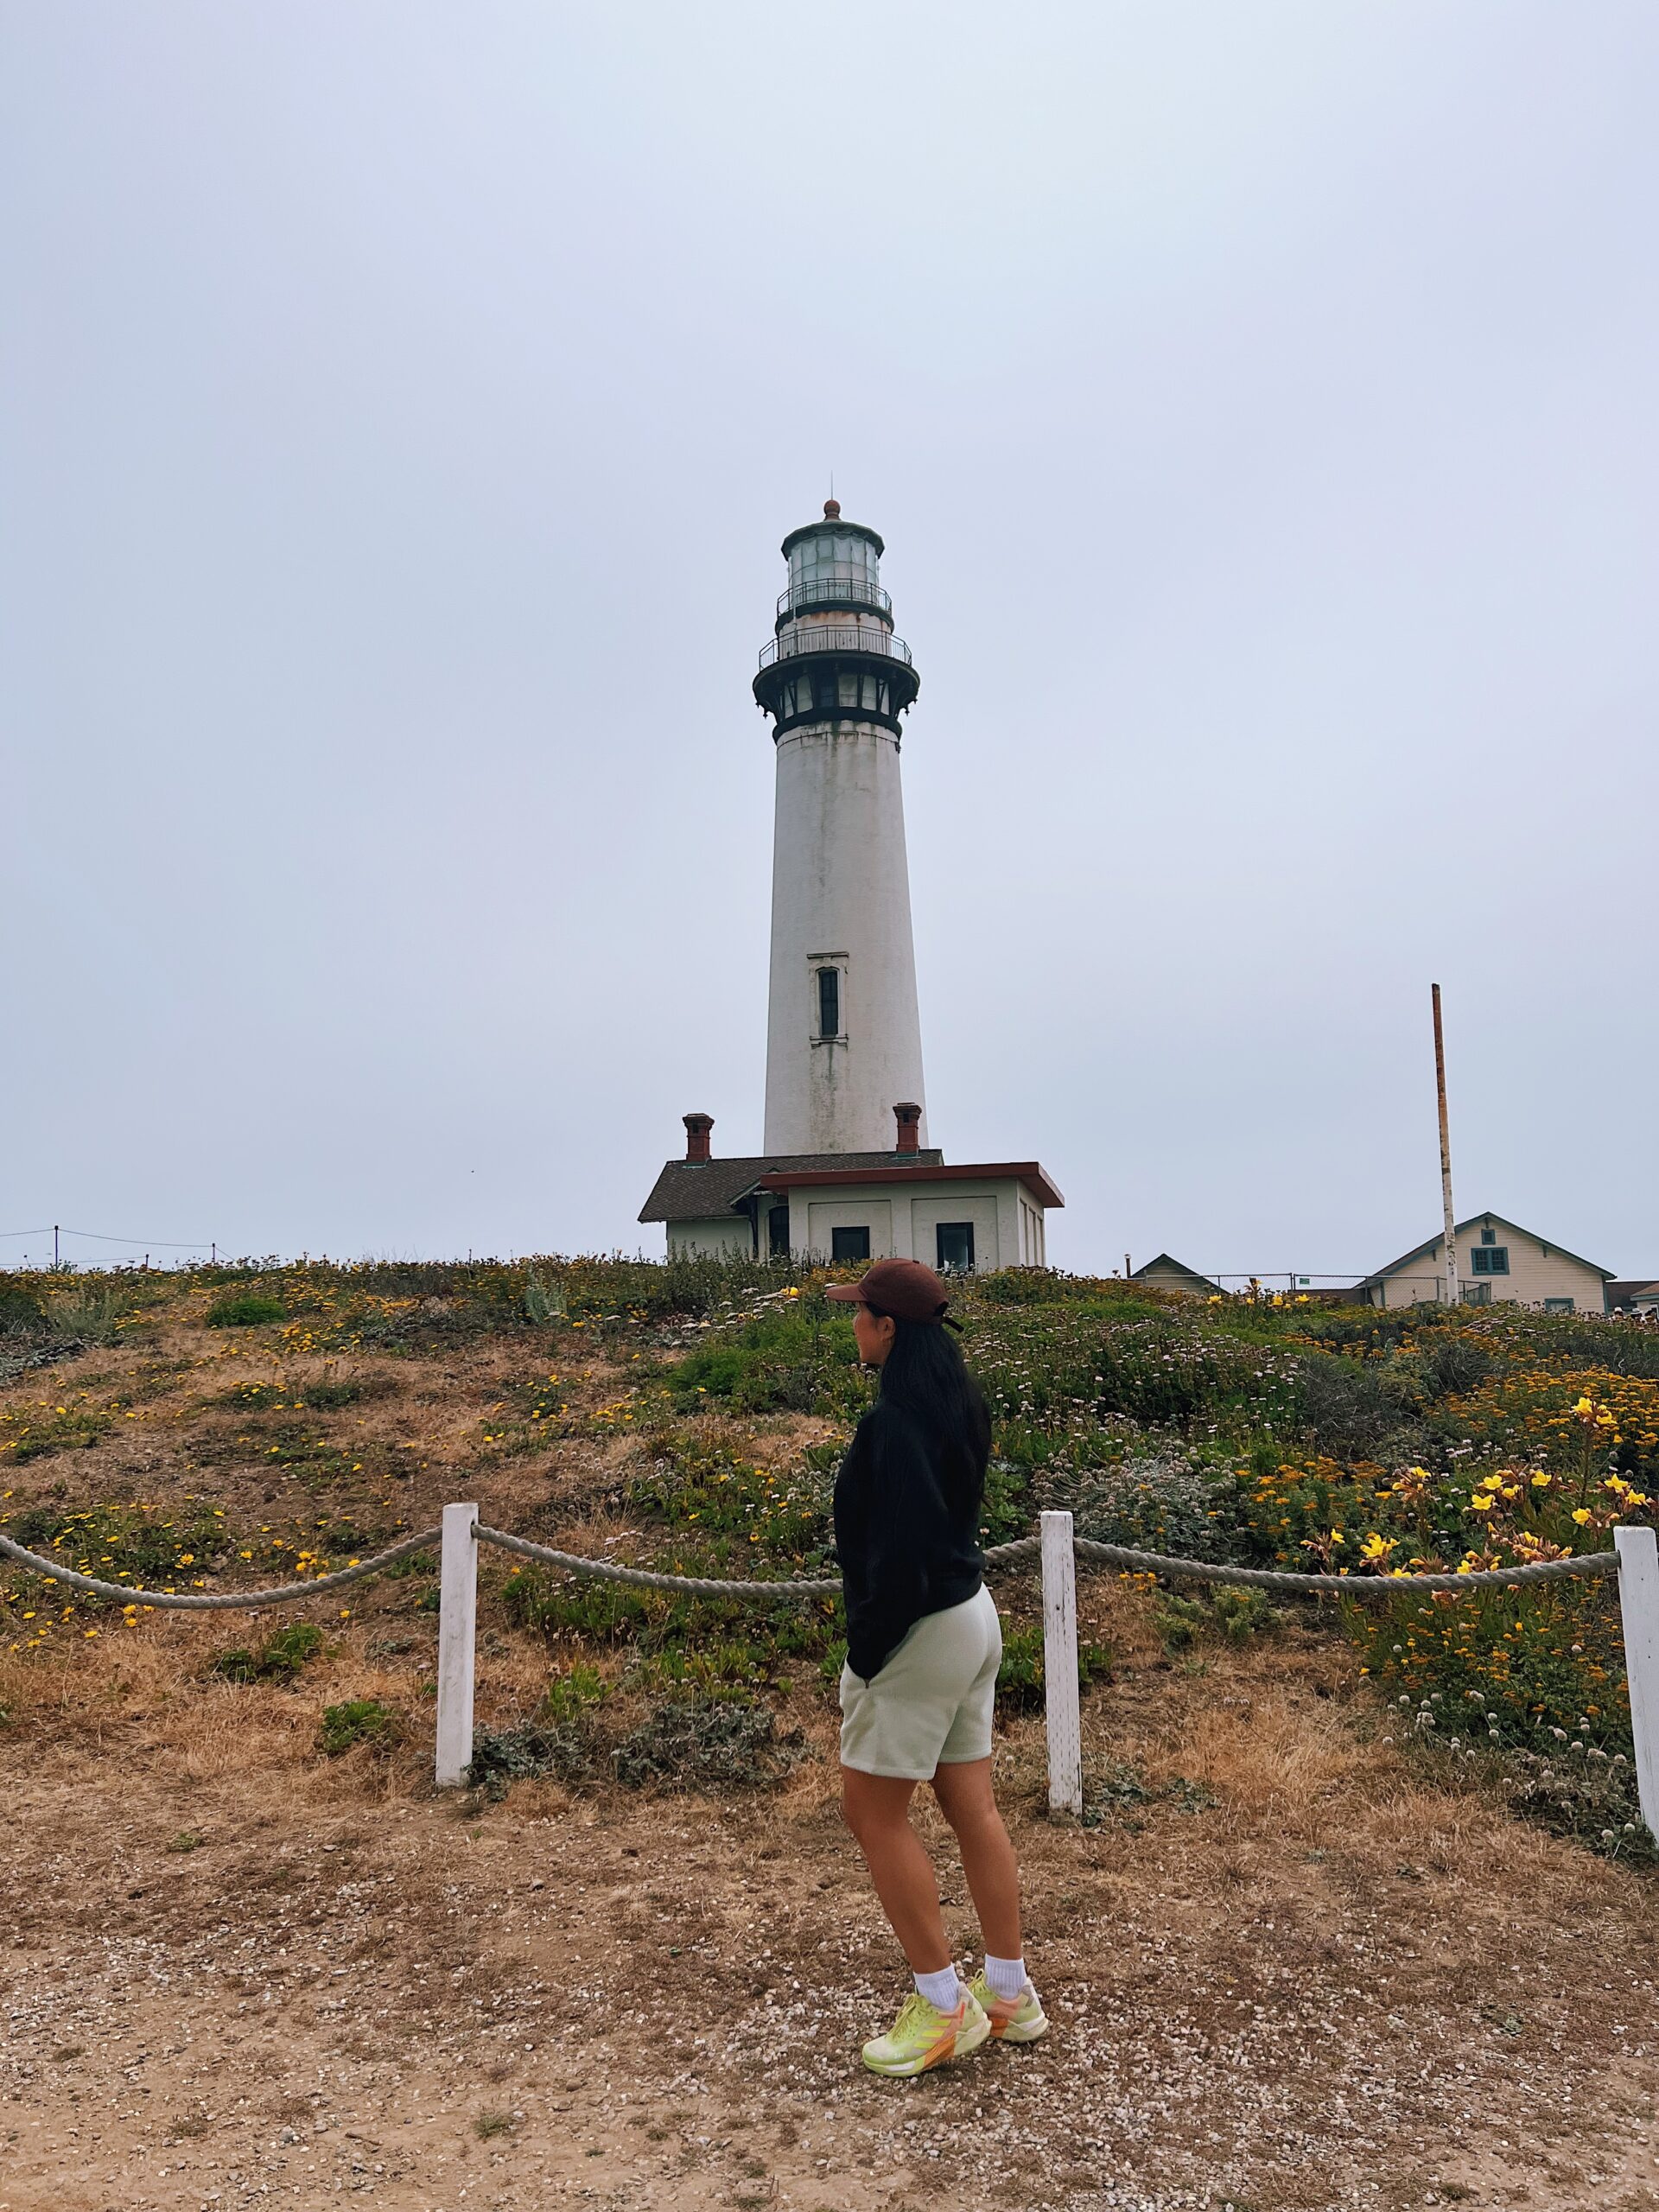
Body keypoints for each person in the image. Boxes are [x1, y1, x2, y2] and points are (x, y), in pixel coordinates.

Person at [825, 1257, 1048, 2077]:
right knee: (972, 1807)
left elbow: (904, 1552)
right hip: (972, 1616)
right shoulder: (957, 1404)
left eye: (860, 1313)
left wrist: (869, 1647)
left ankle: (944, 2007)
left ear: (888, 1328)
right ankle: (1007, 1994)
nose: (852, 1323)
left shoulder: (893, 1425)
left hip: (920, 1629)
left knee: (873, 1813)